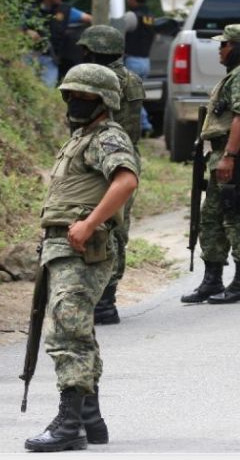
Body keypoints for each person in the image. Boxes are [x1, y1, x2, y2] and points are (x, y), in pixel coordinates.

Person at [24, 64, 140, 452]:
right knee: (78, 329)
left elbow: (126, 180)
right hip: (63, 246)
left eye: (85, 96)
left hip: (82, 247)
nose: (75, 101)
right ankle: (91, 419)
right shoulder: (81, 137)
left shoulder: (107, 136)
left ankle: (69, 424)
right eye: (71, 94)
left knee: (66, 331)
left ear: (104, 101)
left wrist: (89, 223)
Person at [180, 24, 240, 305]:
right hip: (226, 153)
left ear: (237, 47)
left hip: (239, 155)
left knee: (237, 215)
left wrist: (230, 156)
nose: (220, 50)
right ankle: (213, 280)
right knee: (211, 217)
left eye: (224, 45)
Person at [77, 25, 145, 325]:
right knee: (118, 227)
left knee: (97, 224)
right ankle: (107, 299)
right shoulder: (134, 79)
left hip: (102, 158)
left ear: (95, 52)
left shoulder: (100, 80)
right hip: (128, 156)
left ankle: (101, 299)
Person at [23, 0, 92, 87]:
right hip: (30, 55)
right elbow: (16, 26)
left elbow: (89, 18)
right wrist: (27, 31)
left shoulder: (65, 10)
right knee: (27, 86)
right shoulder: (31, 9)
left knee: (48, 90)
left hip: (51, 58)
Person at [123, 0, 156, 138]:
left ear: (134, 0)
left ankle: (145, 125)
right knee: (136, 95)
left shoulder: (131, 16)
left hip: (133, 61)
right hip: (146, 61)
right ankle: (141, 125)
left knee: (131, 95)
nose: (128, 1)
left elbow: (118, 33)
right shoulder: (150, 15)